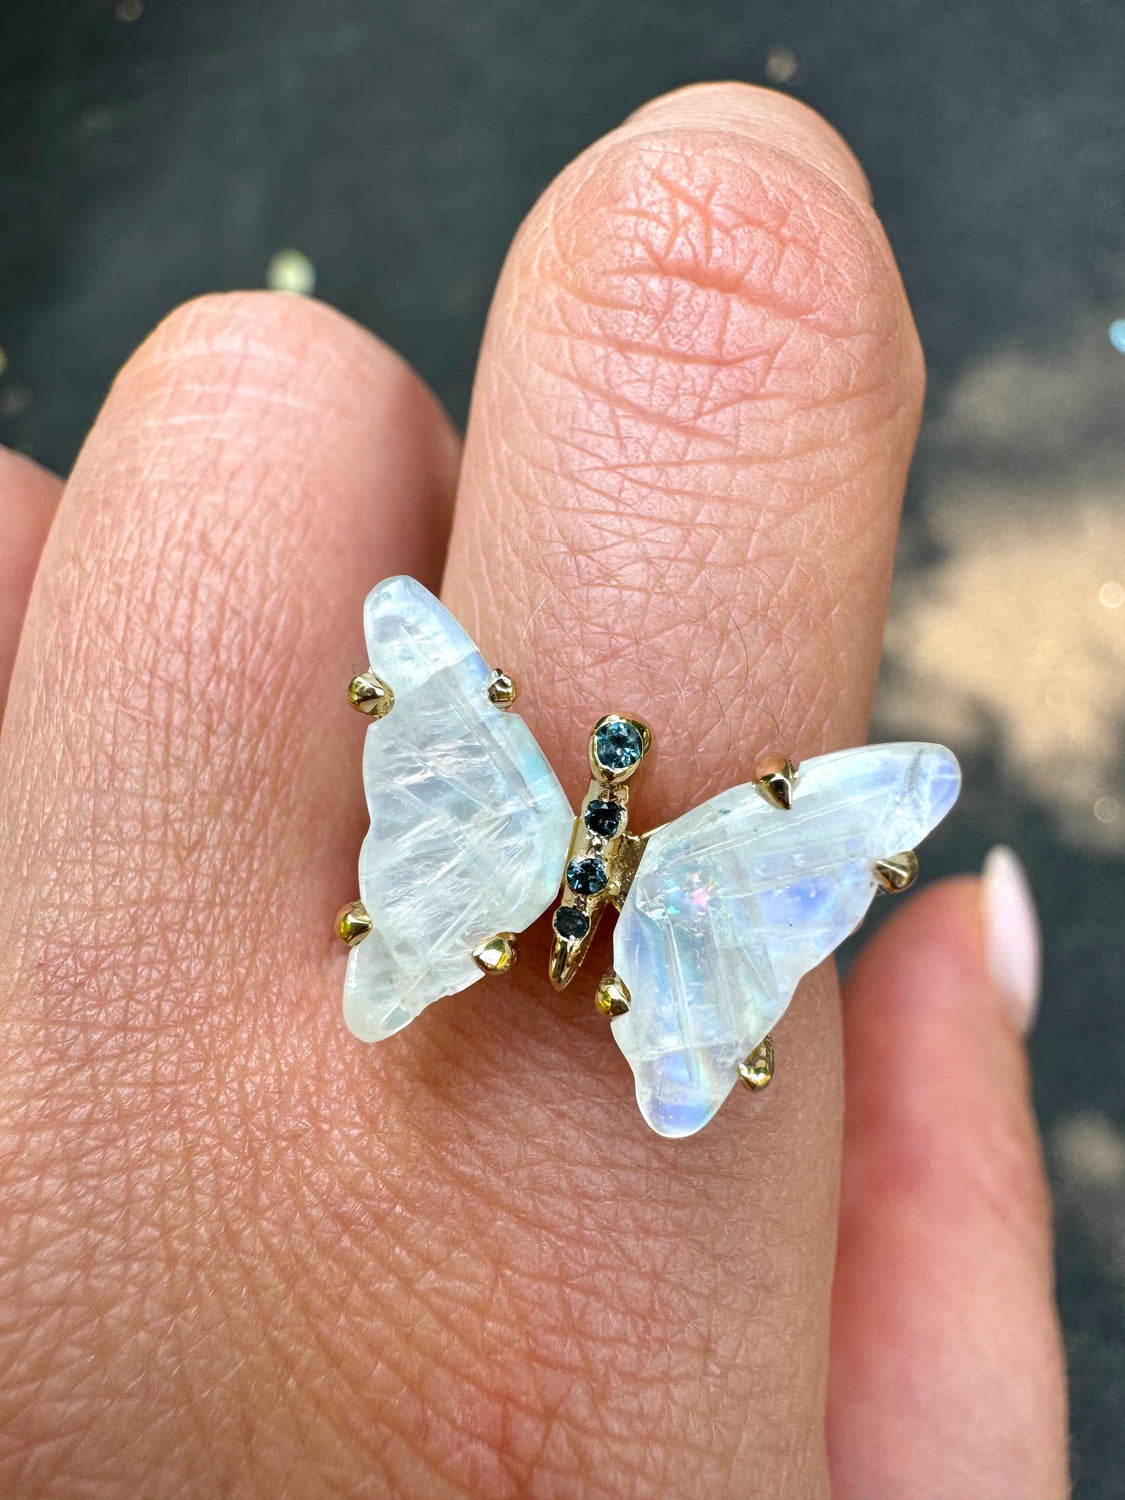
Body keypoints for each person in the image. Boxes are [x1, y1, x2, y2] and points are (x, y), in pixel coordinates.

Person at [0, 83, 1068, 1497]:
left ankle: (457, 960)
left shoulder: (526, 783)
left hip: (534, 902)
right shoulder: (700, 845)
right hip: (641, 922)